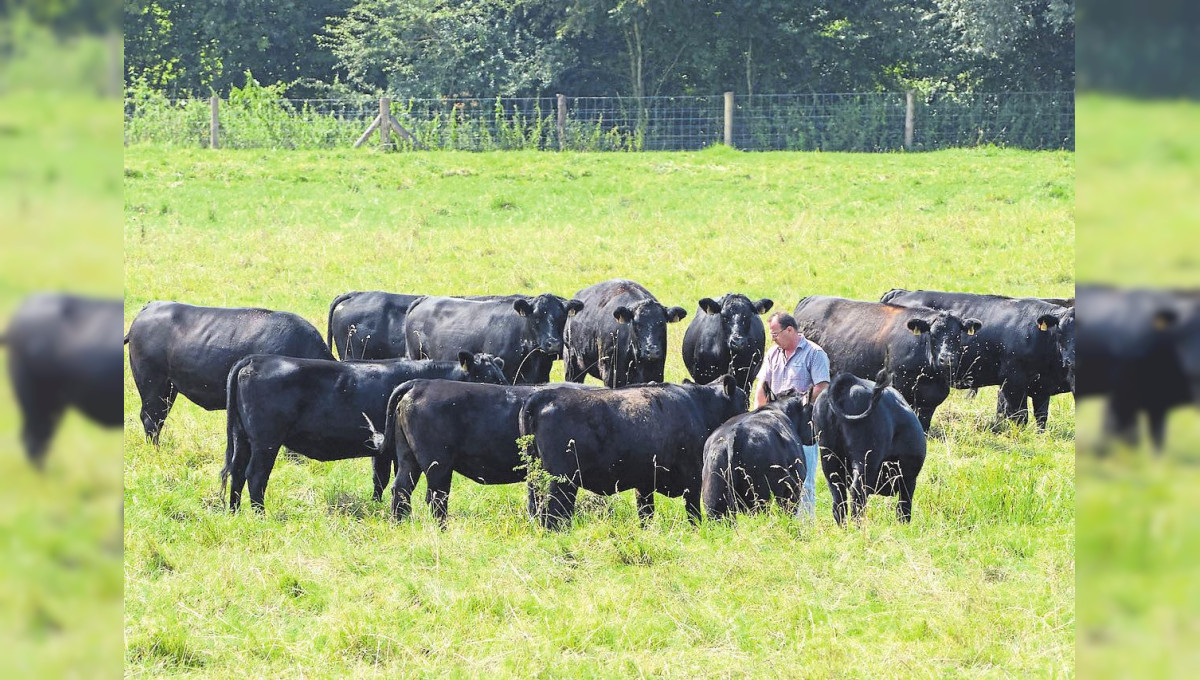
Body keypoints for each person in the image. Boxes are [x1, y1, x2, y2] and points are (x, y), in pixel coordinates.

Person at [753, 311, 830, 518]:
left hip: (802, 425)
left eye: (775, 334)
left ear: (790, 330)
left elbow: (822, 386)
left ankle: (804, 525)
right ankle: (778, 523)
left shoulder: (815, 353)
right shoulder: (773, 353)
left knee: (804, 478)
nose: (773, 338)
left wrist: (798, 405)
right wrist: (757, 415)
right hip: (775, 426)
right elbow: (763, 385)